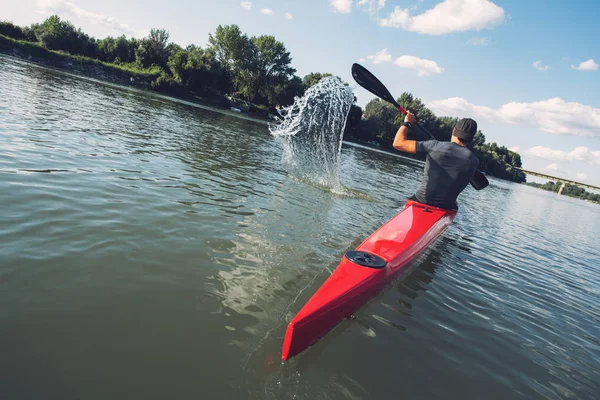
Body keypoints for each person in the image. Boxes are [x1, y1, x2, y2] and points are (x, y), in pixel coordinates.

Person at [392, 111, 479, 210]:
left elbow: (398, 144)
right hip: (447, 208)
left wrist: (407, 123)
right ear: (472, 138)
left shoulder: (435, 146)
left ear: (454, 130)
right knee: (454, 204)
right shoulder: (474, 160)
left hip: (420, 201)